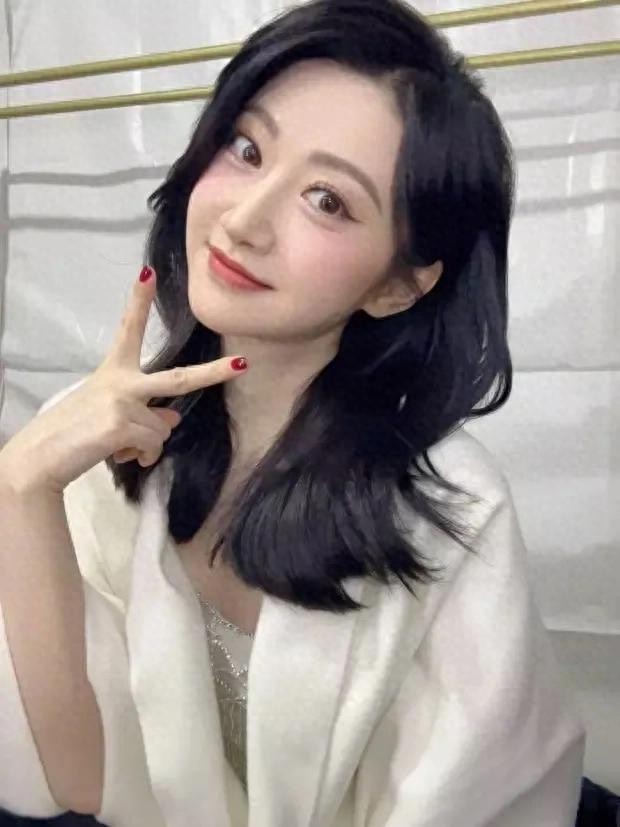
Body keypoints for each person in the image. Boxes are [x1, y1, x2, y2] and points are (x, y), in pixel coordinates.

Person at [0, 0, 586, 824]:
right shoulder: (108, 432)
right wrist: (20, 486)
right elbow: (84, 778)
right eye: (246, 149)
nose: (243, 220)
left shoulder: (451, 513)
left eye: (327, 200)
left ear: (399, 284)